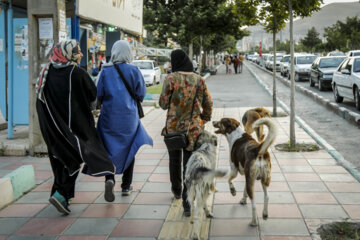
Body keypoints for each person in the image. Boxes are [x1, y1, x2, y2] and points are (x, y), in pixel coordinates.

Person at [35, 40, 116, 215]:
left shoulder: (46, 72)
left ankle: (62, 196)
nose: (80, 55)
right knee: (75, 158)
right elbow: (93, 97)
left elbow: (39, 100)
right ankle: (61, 195)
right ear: (68, 53)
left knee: (59, 159)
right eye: (77, 52)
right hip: (74, 127)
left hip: (51, 127)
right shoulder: (77, 73)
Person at [159, 49, 213, 216]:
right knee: (189, 165)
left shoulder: (170, 79)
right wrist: (203, 119)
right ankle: (187, 203)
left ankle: (176, 190)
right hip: (193, 129)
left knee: (174, 161)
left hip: (173, 128)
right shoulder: (199, 80)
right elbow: (208, 102)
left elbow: (163, 104)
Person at [96, 40, 153, 198]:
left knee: (108, 149)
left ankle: (110, 179)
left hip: (109, 117)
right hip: (129, 118)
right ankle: (126, 186)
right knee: (130, 149)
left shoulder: (105, 71)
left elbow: (98, 94)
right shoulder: (134, 70)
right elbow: (141, 94)